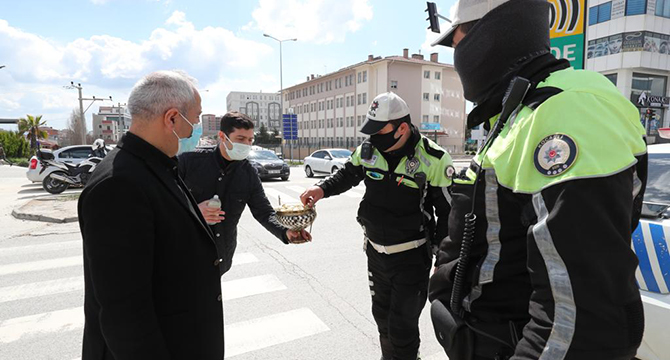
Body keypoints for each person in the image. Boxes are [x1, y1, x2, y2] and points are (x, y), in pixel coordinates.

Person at [427, 1, 649, 359]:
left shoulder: (568, 109)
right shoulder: (519, 110)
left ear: (491, 32)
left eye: (458, 40)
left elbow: (581, 324)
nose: (456, 54)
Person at [78, 70, 224, 360]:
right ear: (171, 118)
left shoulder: (155, 166)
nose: (195, 130)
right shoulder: (119, 184)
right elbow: (126, 313)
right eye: (194, 121)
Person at [300, 92, 453, 360]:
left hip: (411, 256)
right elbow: (347, 175)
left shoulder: (435, 158)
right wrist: (321, 188)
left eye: (379, 130)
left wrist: (443, 257)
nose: (373, 138)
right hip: (375, 253)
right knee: (382, 319)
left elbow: (448, 214)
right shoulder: (368, 151)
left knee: (402, 326)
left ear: (402, 128)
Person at [178, 111, 312, 277]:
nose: (246, 145)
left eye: (250, 140)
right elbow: (164, 201)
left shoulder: (248, 173)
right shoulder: (188, 163)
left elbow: (264, 212)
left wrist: (285, 232)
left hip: (220, 259)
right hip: (185, 256)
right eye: (240, 139)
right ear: (222, 136)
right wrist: (193, 211)